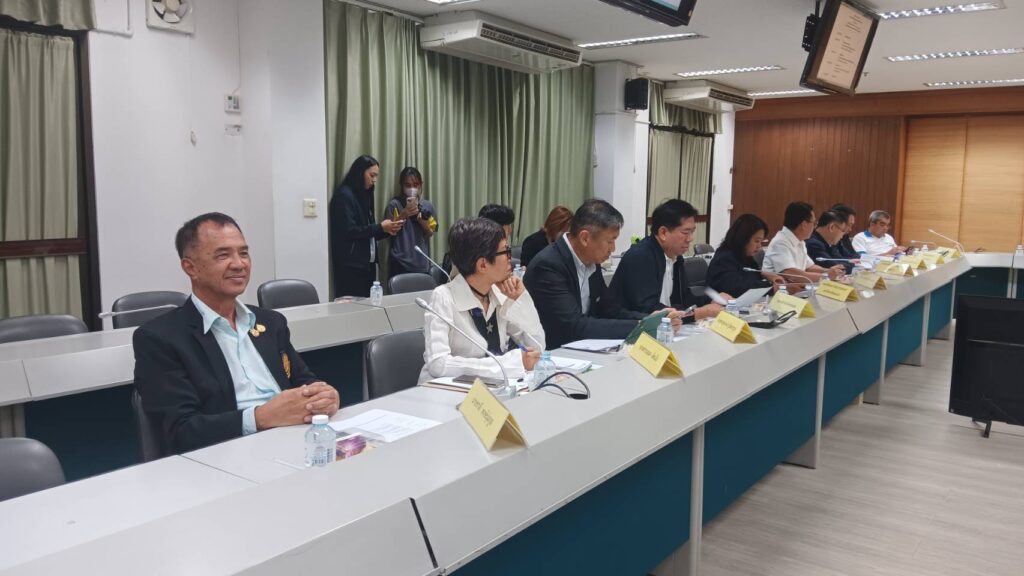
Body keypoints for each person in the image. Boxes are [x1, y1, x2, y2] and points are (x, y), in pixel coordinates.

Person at [133, 213, 340, 454]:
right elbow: (181, 431)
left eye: (243, 253)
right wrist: (260, 418)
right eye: (223, 255)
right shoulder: (160, 338)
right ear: (190, 268)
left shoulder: (270, 322)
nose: (239, 264)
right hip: (226, 454)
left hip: (294, 440)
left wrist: (326, 395)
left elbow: (304, 380)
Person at [420, 218, 544, 385]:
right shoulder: (443, 297)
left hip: (494, 388)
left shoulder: (499, 294)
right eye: (505, 251)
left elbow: (537, 348)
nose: (511, 258)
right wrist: (507, 364)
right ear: (483, 265)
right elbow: (438, 363)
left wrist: (521, 299)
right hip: (447, 392)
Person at [523, 199, 651, 350]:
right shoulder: (548, 265)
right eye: (610, 241)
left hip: (581, 349)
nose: (613, 249)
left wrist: (648, 320)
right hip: (551, 353)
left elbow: (608, 309)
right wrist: (637, 327)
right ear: (585, 238)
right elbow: (574, 326)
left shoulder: (591, 260)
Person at [610, 199, 724, 322]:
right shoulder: (640, 257)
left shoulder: (675, 256)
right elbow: (648, 310)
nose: (690, 238)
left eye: (692, 232)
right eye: (685, 232)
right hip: (632, 328)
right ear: (663, 233)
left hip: (667, 326)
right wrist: (699, 313)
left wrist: (712, 300)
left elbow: (684, 300)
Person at [330, 155, 403, 297]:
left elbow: (369, 231)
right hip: (351, 268)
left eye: (376, 176)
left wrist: (388, 229)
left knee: (370, 305)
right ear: (359, 173)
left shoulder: (365, 194)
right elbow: (349, 231)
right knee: (353, 307)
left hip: (367, 265)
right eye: (372, 175)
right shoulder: (344, 196)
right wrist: (380, 227)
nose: (374, 180)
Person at [762, 201, 845, 286]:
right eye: (814, 223)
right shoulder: (780, 242)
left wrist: (828, 271)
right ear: (804, 225)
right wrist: (826, 276)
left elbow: (809, 267)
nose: (814, 227)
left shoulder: (800, 241)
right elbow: (792, 275)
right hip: (779, 292)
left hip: (797, 288)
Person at [707, 214, 784, 297]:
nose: (759, 246)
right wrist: (772, 288)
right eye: (757, 241)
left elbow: (752, 278)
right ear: (743, 238)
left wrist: (766, 275)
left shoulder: (745, 256)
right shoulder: (724, 259)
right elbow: (739, 287)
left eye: (761, 242)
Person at [384, 167, 438, 278]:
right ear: (401, 185)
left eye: (415, 184)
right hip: (399, 263)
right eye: (408, 185)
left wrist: (423, 223)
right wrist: (403, 215)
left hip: (421, 262)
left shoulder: (427, 206)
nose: (412, 188)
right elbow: (388, 232)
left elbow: (430, 233)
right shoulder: (394, 205)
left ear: (421, 184)